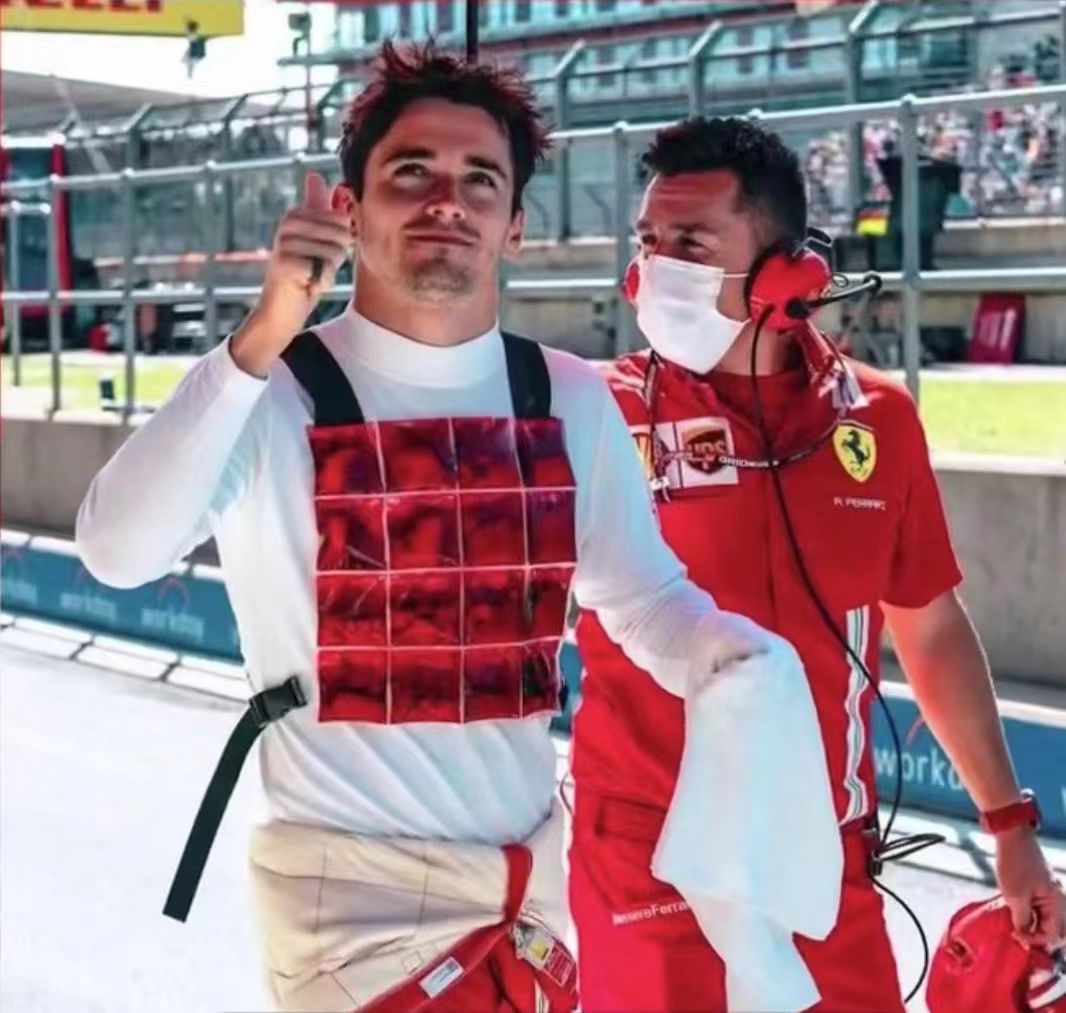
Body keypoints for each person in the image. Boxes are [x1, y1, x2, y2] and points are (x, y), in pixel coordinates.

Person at [75, 48, 799, 1013]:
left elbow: (643, 600)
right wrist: (263, 330)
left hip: (527, 908)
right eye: (410, 171)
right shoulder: (269, 390)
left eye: (480, 179)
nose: (446, 201)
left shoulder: (567, 397)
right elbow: (116, 550)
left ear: (515, 225)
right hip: (353, 920)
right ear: (349, 207)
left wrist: (729, 654)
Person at [569, 115, 1066, 1013]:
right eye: (648, 242)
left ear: (784, 275)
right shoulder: (596, 413)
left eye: (691, 244)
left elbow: (931, 629)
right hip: (645, 863)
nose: (655, 269)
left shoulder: (878, 419)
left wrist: (1008, 825)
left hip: (823, 860)